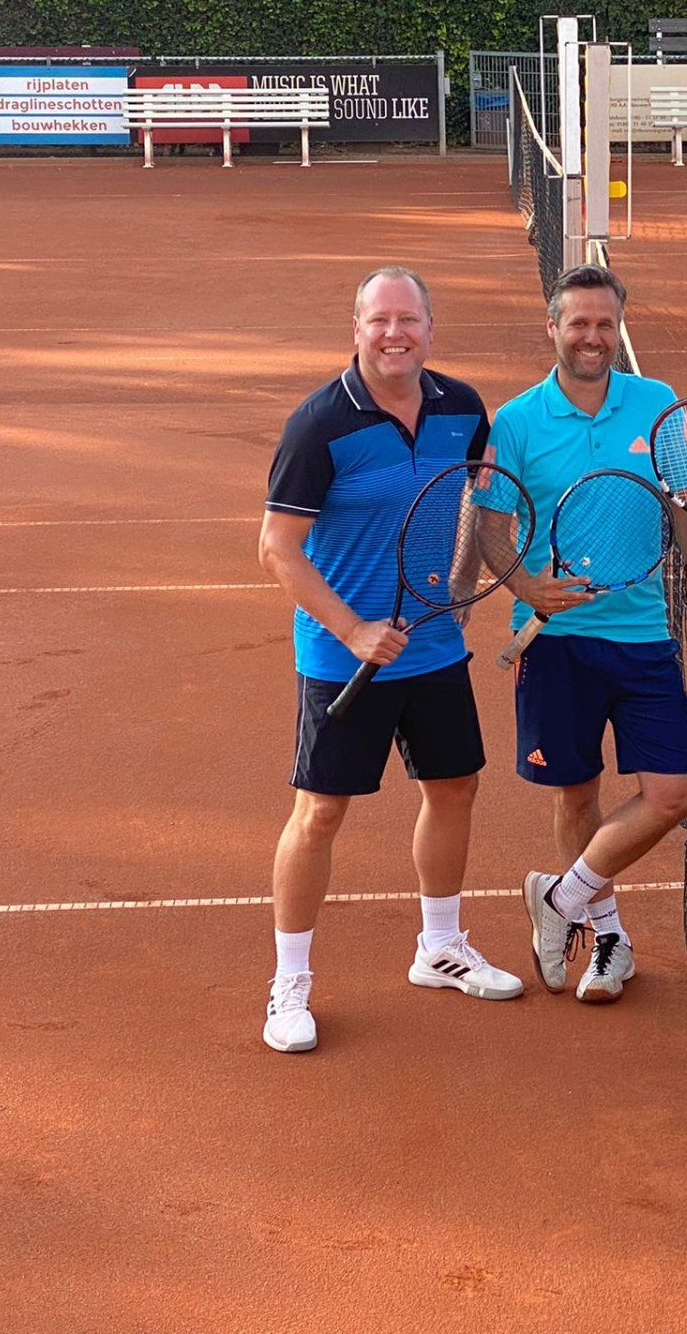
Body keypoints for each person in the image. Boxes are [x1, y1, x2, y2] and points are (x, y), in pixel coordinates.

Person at [256, 266, 524, 1054]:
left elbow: (477, 501)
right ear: (357, 329)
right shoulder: (318, 426)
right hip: (345, 659)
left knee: (454, 787)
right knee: (320, 813)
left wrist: (470, 584)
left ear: (429, 329)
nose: (394, 334)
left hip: (433, 646)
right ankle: (289, 986)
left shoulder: (461, 408)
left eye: (408, 320)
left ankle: (439, 947)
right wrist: (352, 631)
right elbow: (276, 548)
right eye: (380, 320)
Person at [481, 264, 687, 1001]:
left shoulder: (655, 403)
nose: (591, 337)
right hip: (553, 643)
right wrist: (527, 587)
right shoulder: (516, 421)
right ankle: (608, 938)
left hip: (641, 635)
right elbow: (492, 528)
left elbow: (685, 510)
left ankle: (559, 898)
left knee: (675, 792)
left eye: (604, 323)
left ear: (618, 328)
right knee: (576, 795)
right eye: (579, 323)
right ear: (553, 328)